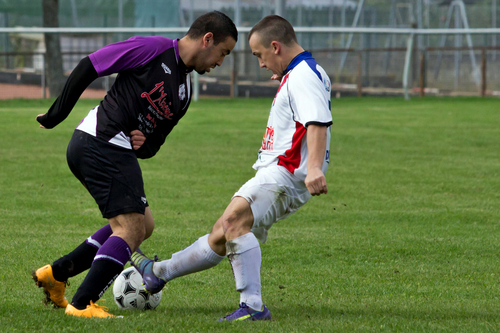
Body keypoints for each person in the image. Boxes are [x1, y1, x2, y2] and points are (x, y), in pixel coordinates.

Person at [32, 11, 237, 318]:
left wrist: (145, 142)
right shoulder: (152, 49)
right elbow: (92, 64)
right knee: (130, 228)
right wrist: (56, 114)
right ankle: (81, 304)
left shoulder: (184, 92)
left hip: (113, 149)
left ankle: (57, 274)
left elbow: (154, 143)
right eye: (223, 52)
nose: (221, 61)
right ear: (207, 39)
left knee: (144, 225)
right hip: (100, 141)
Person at [131, 15, 332, 322]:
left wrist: (315, 167)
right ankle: (158, 272)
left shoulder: (303, 76)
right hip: (279, 172)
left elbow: (316, 122)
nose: (261, 64)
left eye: (260, 56)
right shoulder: (303, 72)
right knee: (220, 235)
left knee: (234, 220)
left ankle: (252, 306)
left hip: (285, 172)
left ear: (275, 47)